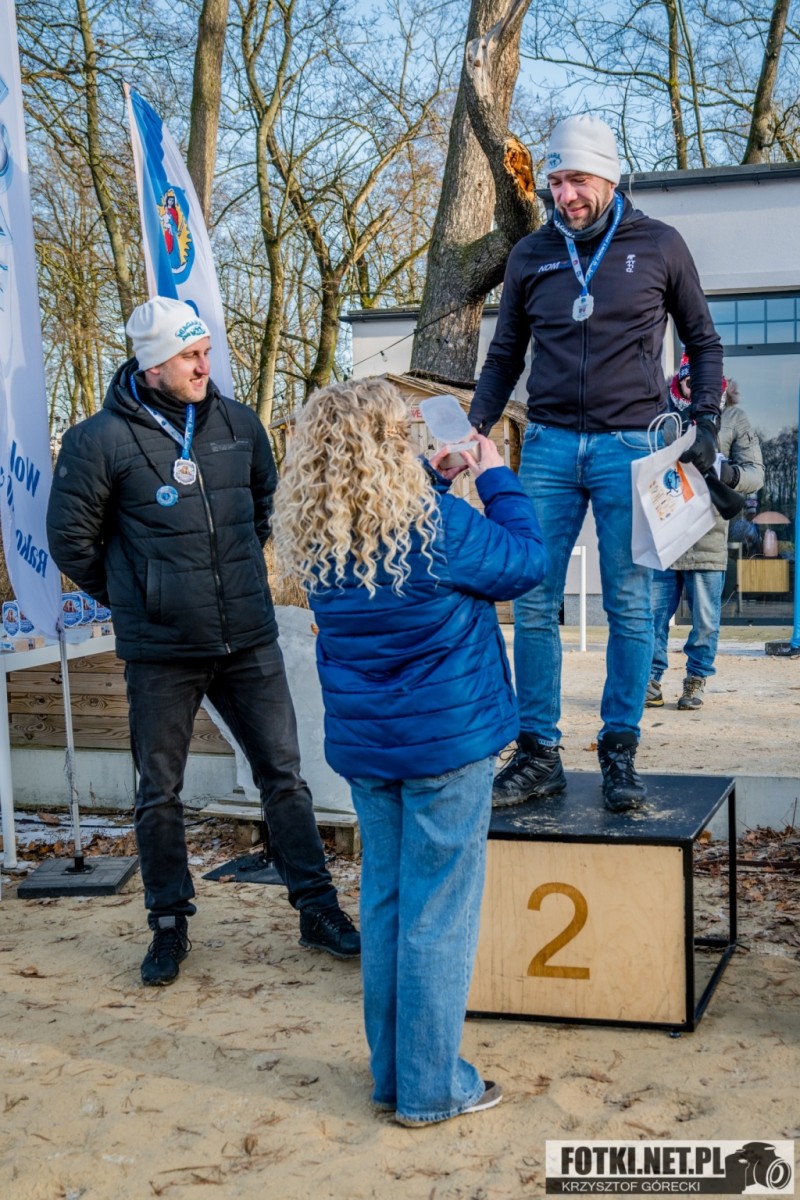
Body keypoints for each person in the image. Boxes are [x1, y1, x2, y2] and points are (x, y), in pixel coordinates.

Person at [46, 297, 360, 986]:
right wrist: (143, 595)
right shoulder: (98, 440)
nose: (203, 365)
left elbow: (265, 508)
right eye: (189, 355)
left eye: (205, 352)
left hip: (247, 637)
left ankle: (317, 907)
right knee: (159, 791)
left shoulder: (239, 424)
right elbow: (70, 541)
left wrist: (232, 578)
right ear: (152, 365)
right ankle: (168, 924)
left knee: (284, 777)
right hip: (161, 649)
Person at [272, 377, 548, 1127]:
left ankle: (393, 1077)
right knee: (439, 918)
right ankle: (432, 1090)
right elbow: (527, 561)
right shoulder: (437, 528)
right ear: (389, 446)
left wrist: (439, 474)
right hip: (446, 745)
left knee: (389, 907)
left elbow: (383, 509)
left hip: (369, 750)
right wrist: (495, 476)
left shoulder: (322, 536)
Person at [468, 113, 723, 812]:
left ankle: (620, 751)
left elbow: (703, 340)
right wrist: (475, 426)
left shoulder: (660, 245)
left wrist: (704, 420)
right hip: (548, 445)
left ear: (608, 176)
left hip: (632, 448)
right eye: (555, 182)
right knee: (532, 599)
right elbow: (504, 354)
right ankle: (538, 754)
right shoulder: (531, 255)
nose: (565, 195)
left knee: (631, 606)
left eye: (577, 180)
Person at [646, 366, 763, 710]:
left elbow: (756, 474)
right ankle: (649, 680)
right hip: (663, 533)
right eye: (688, 379)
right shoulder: (659, 413)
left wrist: (728, 473)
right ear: (679, 380)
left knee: (705, 622)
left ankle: (695, 679)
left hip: (708, 535)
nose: (694, 385)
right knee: (650, 618)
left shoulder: (735, 418)